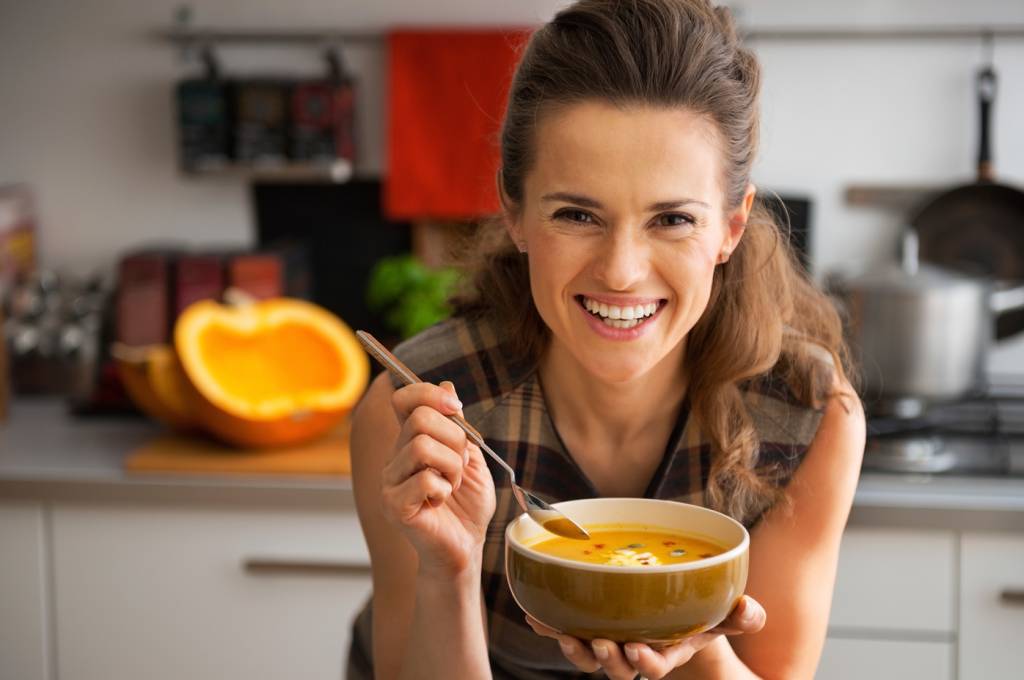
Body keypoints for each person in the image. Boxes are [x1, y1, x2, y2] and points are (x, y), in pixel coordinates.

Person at [347, 0, 865, 678]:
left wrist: (694, 631)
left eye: (672, 219)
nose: (621, 270)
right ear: (515, 214)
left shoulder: (808, 414)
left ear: (730, 229)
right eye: (576, 214)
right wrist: (449, 568)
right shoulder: (417, 416)